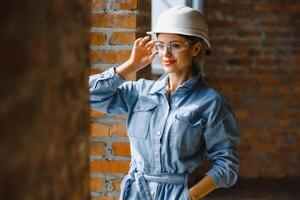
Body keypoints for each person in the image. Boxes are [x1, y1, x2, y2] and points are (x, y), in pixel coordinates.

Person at [89, 5, 240, 200]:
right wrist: (131, 66)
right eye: (160, 45)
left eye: (175, 45)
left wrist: (188, 196)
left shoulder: (211, 102)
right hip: (135, 194)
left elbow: (227, 165)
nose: (166, 54)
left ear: (196, 48)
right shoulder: (140, 92)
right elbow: (89, 94)